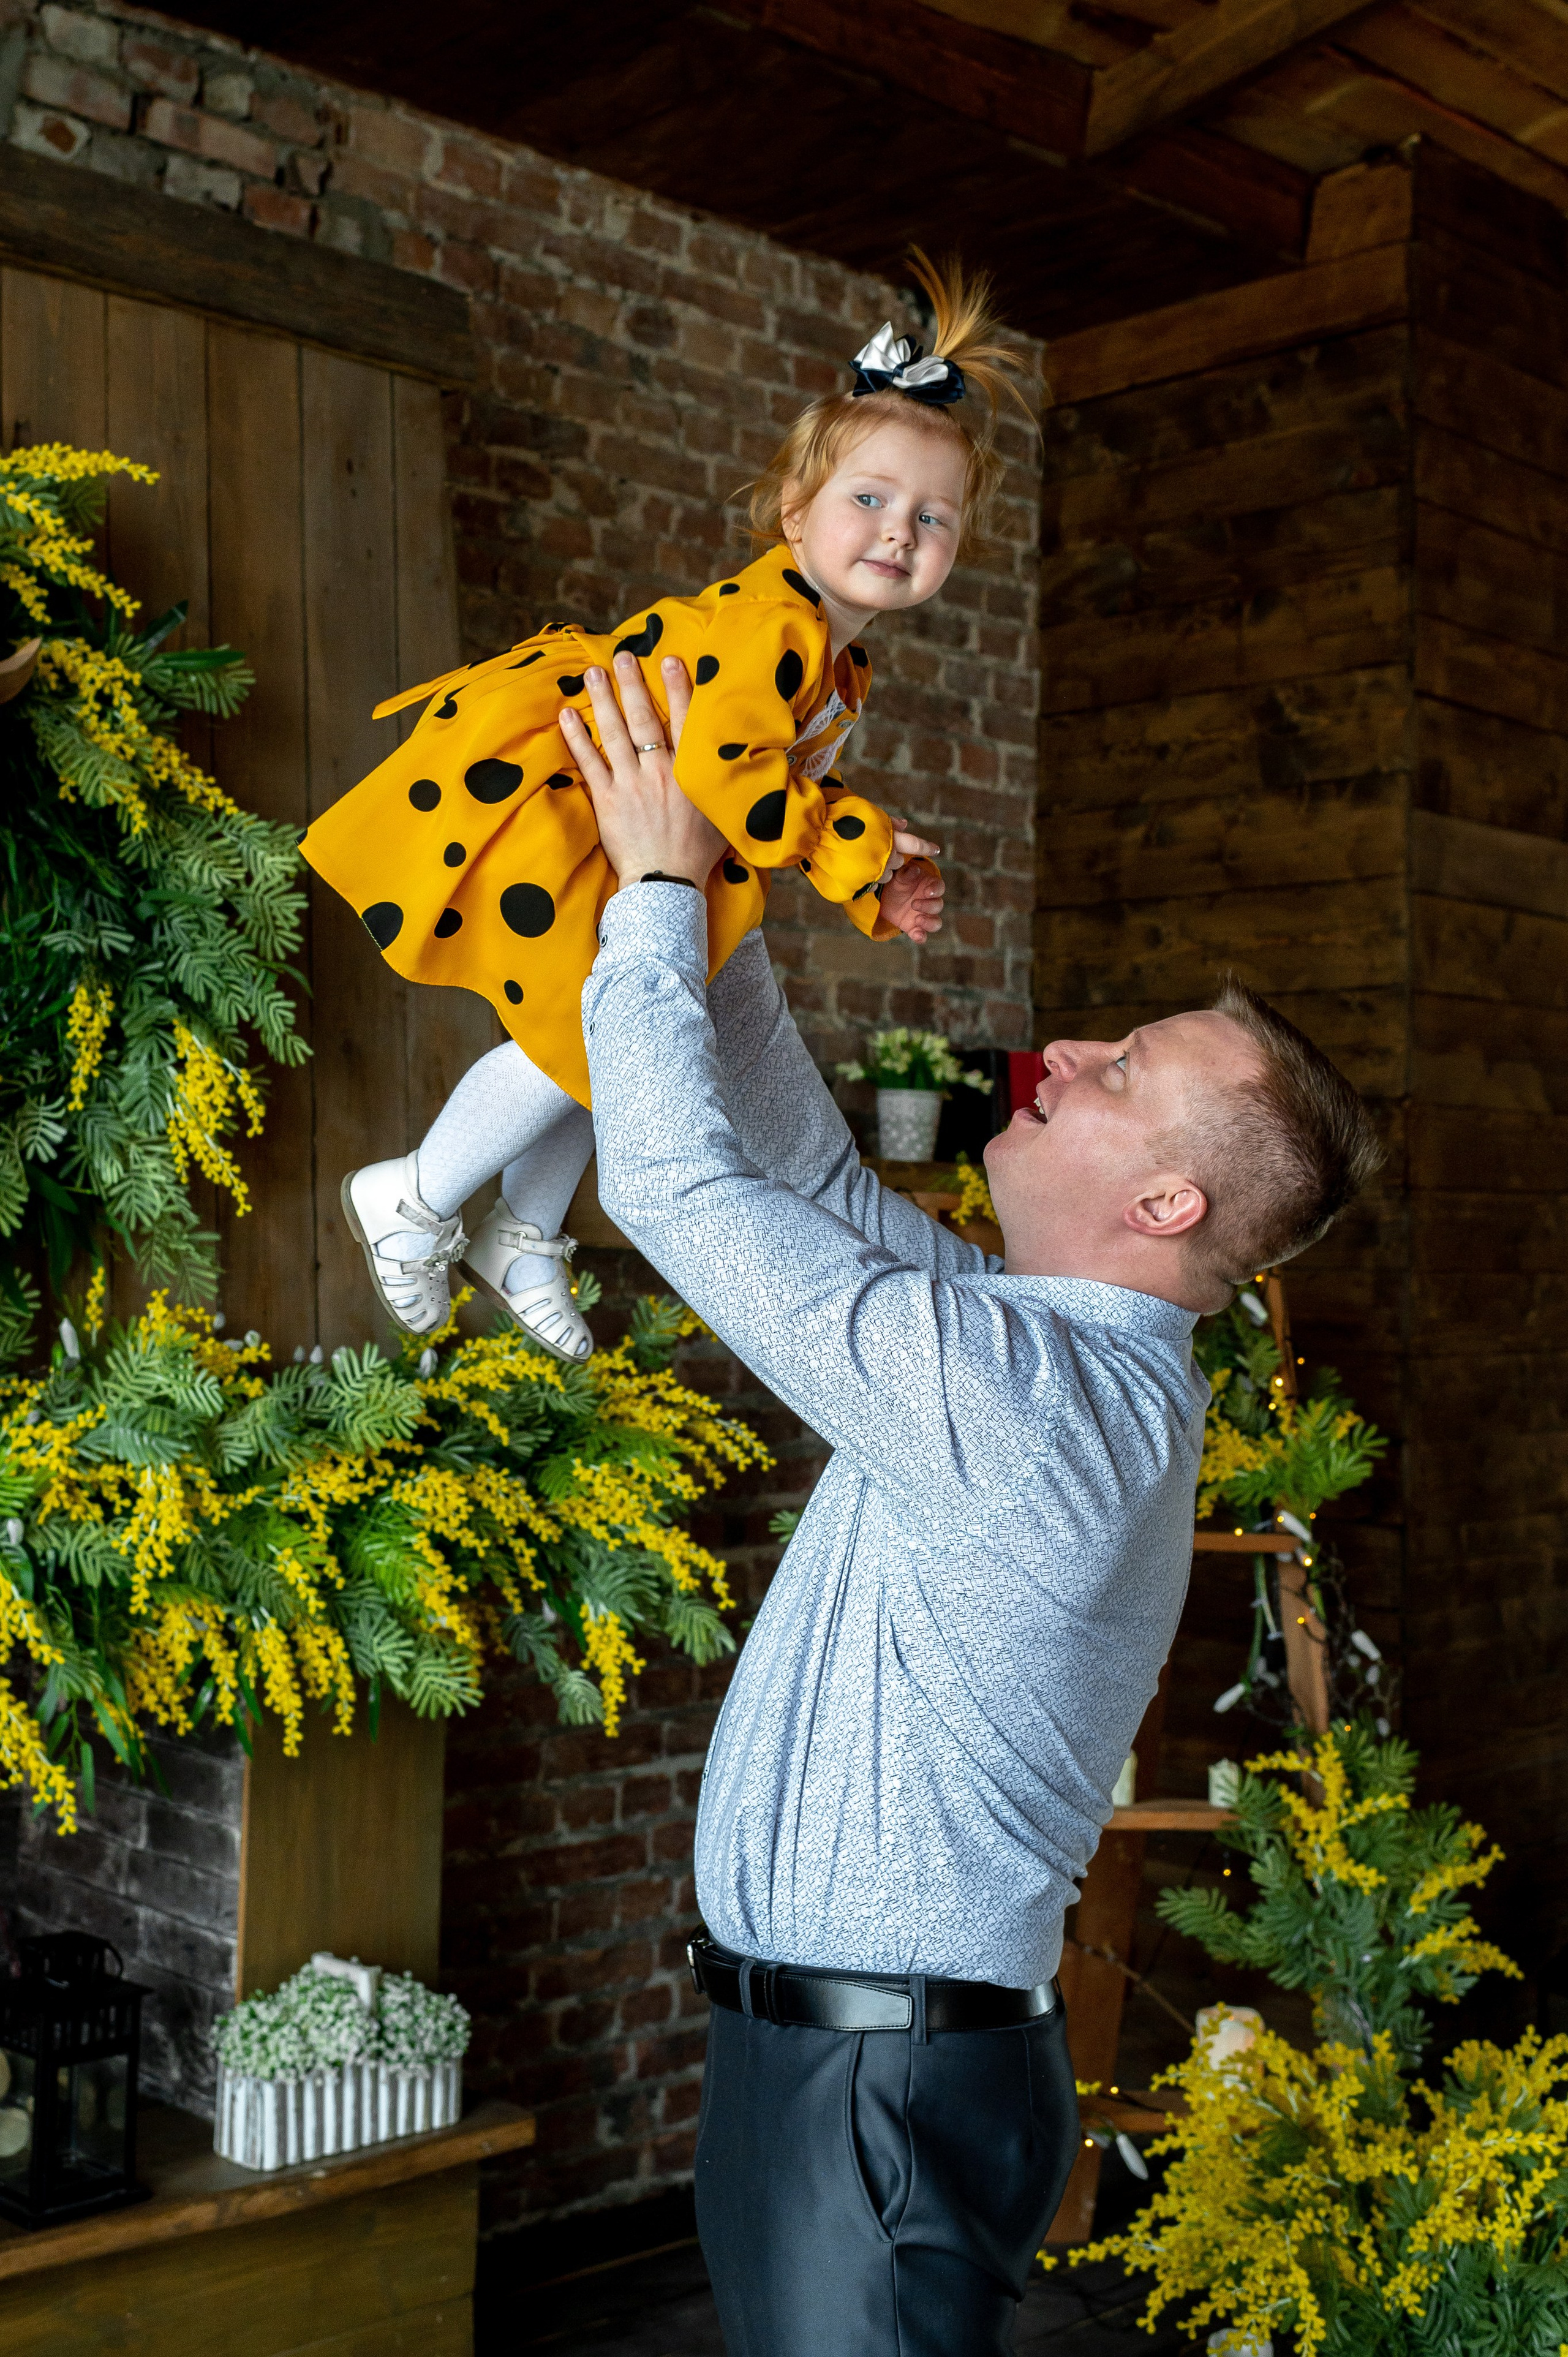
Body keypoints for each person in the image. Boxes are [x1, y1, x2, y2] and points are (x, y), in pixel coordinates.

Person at [559, 654, 1384, 2356]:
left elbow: (669, 1181)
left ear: (1164, 1197)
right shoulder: (1037, 1356)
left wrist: (647, 890)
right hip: (861, 2075)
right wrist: (715, 883)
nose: (1065, 1056)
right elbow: (792, 1173)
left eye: (1122, 1069)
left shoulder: (1036, 1408)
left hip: (885, 2094)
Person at [300, 252, 1030, 1363]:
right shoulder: (772, 629)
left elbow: (784, 781)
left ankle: (526, 1232)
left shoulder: (838, 659)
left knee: (620, 1044)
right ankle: (412, 1191)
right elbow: (731, 777)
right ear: (795, 514)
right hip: (578, 807)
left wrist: (871, 872)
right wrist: (853, 847)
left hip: (636, 836)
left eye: (933, 519)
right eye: (871, 500)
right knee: (584, 1038)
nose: (899, 532)